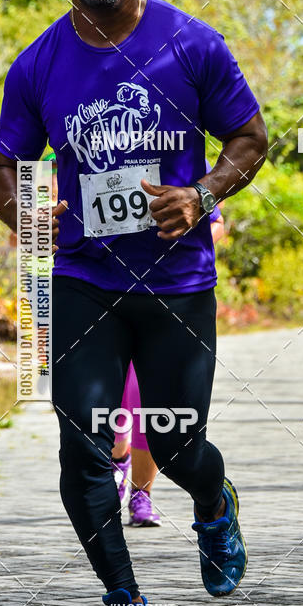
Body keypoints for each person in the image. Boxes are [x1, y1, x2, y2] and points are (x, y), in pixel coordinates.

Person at [0, 0, 267, 606]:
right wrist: (23, 213)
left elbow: (250, 136)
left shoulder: (192, 43)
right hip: (85, 278)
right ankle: (122, 597)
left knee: (176, 443)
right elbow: (5, 168)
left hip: (177, 282)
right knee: (81, 439)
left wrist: (203, 192)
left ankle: (213, 496)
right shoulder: (38, 63)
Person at [111, 188, 225, 526]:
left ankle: (141, 494)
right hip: (100, 302)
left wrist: (187, 240)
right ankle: (118, 459)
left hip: (166, 300)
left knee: (148, 409)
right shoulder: (72, 161)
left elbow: (217, 223)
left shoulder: (181, 157)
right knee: (113, 405)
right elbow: (25, 237)